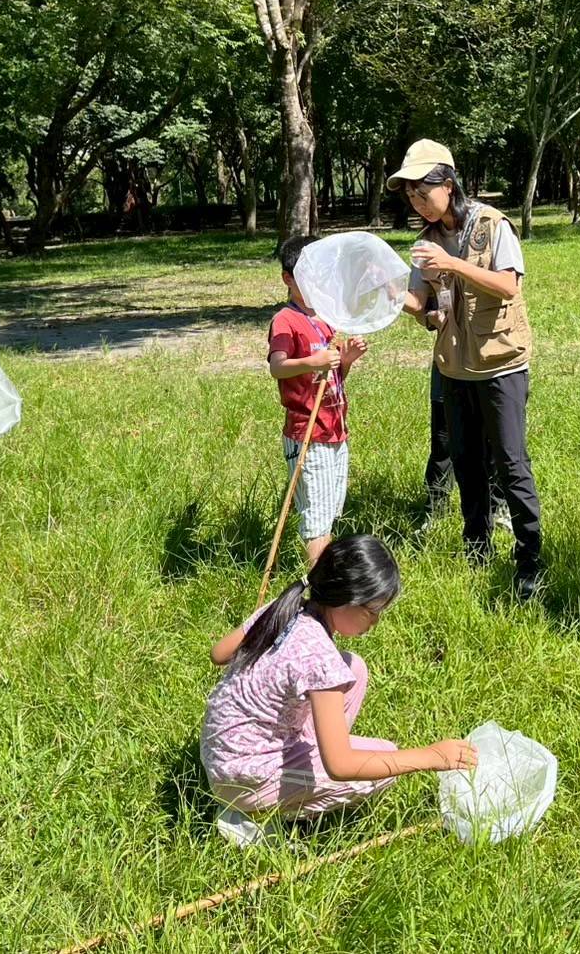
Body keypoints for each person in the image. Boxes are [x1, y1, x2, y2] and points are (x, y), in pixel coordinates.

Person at [200, 535, 479, 844]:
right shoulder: (318, 658)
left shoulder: (285, 607)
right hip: (240, 780)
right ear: (346, 600)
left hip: (221, 748)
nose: (375, 622)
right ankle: (252, 817)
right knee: (385, 762)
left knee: (354, 668)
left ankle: (301, 763)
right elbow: (341, 766)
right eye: (372, 612)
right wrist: (430, 756)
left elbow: (219, 654)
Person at [389, 140, 543, 598]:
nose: (418, 202)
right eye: (411, 196)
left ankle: (529, 558)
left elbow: (508, 286)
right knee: (466, 463)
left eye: (423, 192)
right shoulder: (426, 242)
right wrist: (393, 295)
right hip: (454, 368)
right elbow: (420, 301)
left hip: (501, 366)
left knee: (510, 463)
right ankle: (477, 548)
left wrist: (453, 264)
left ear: (448, 185)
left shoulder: (492, 226)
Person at [268, 234, 368, 565]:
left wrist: (347, 359)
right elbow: (277, 366)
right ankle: (321, 588)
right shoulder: (286, 320)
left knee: (330, 509)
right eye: (306, 277)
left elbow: (332, 379)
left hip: (335, 428)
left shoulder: (326, 320)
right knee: (317, 518)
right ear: (288, 279)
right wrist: (316, 361)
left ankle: (325, 580)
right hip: (308, 433)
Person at [419, 293, 510, 534]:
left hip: (488, 357)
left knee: (495, 439)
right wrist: (430, 318)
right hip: (449, 359)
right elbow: (421, 306)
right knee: (443, 439)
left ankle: (498, 507)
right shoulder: (431, 260)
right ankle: (436, 509)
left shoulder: (489, 256)